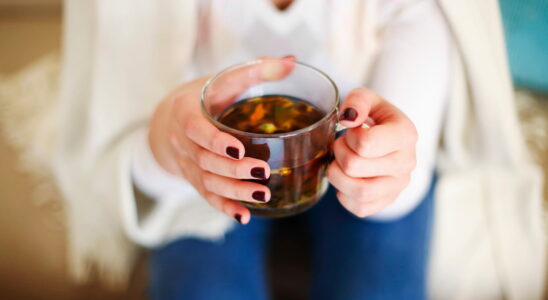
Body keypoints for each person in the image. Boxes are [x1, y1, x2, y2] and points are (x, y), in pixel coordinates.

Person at [54, 0, 545, 299]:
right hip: (206, 176)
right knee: (201, 291)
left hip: (359, 164)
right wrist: (167, 144)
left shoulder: (419, 7)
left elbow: (401, 179)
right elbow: (123, 154)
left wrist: (384, 171)